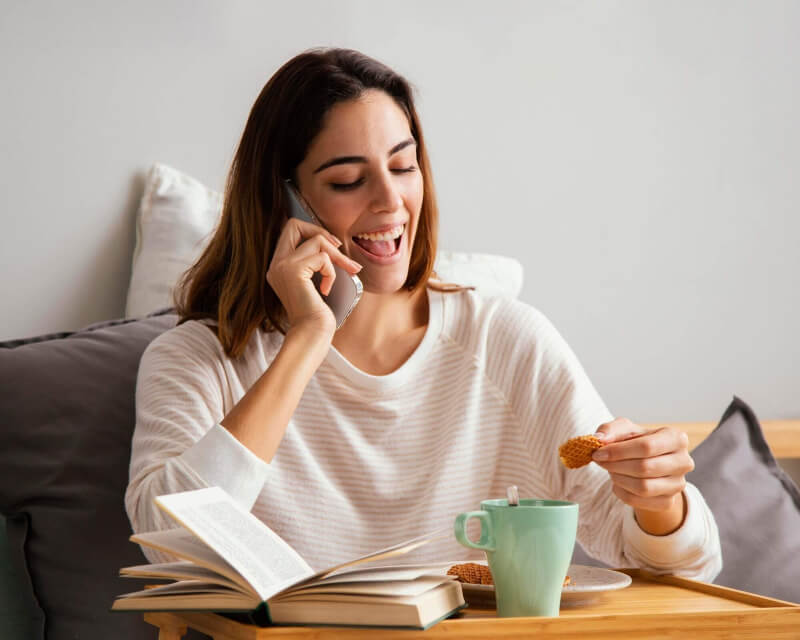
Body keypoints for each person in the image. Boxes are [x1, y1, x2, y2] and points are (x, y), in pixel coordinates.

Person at [125, 48, 721, 580]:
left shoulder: (505, 341)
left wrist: (659, 500)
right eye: (348, 180)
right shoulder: (198, 360)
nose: (390, 201)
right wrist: (308, 337)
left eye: (403, 166)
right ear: (285, 203)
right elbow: (173, 548)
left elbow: (679, 563)